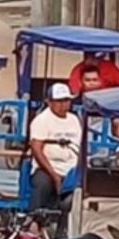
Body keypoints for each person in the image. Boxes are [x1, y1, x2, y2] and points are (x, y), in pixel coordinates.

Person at [28, 83, 84, 215]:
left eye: (66, 100)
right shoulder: (42, 120)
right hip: (47, 168)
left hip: (71, 169)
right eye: (59, 101)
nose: (63, 104)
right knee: (43, 185)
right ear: (49, 102)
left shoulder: (74, 120)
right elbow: (37, 149)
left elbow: (80, 146)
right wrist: (55, 176)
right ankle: (33, 221)